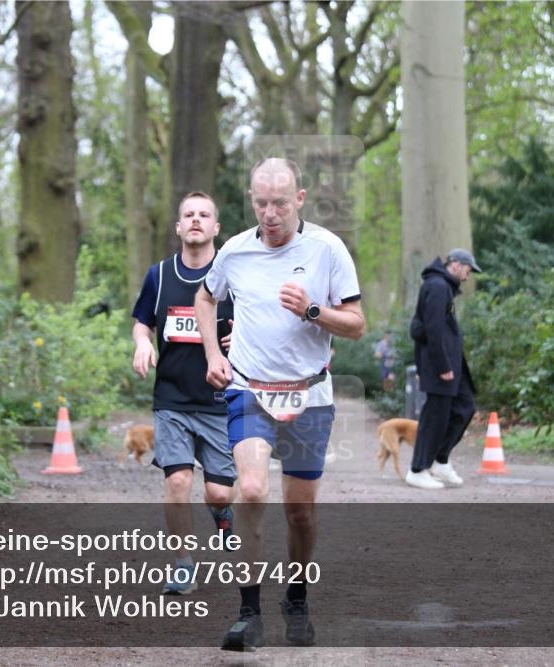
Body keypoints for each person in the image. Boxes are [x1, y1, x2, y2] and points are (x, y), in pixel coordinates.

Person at [195, 158, 365, 651]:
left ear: (301, 200)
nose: (270, 213)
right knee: (249, 490)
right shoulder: (234, 251)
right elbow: (206, 299)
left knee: (301, 513)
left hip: (309, 393)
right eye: (261, 202)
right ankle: (249, 612)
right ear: (252, 199)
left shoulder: (327, 249)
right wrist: (212, 354)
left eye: (281, 203)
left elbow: (356, 323)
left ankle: (297, 596)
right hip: (249, 388)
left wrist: (313, 310)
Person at [131, 190, 236, 594]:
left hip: (219, 402)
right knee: (177, 482)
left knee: (217, 490)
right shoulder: (159, 275)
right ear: (178, 227)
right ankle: (183, 565)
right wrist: (143, 342)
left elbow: (255, 323)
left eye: (204, 214)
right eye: (188, 214)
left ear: (215, 227)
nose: (195, 220)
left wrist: (239, 339)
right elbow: (143, 322)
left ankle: (223, 512)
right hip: (172, 399)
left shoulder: (232, 276)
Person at [406, 248, 481, 490]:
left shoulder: (442, 287)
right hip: (442, 365)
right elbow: (432, 329)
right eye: (468, 271)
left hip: (452, 364)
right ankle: (418, 469)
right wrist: (442, 366)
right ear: (456, 265)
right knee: (434, 416)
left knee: (465, 406)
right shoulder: (438, 287)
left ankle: (440, 459)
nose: (467, 277)